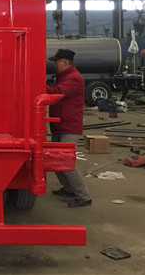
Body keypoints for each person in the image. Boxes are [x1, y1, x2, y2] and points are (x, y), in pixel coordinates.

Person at [46, 48, 92, 208]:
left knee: (66, 163)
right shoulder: (63, 77)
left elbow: (57, 92)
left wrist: (36, 86)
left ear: (65, 62)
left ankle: (83, 196)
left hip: (68, 126)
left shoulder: (74, 79)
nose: (55, 65)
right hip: (60, 125)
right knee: (55, 161)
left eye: (56, 62)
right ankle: (69, 190)